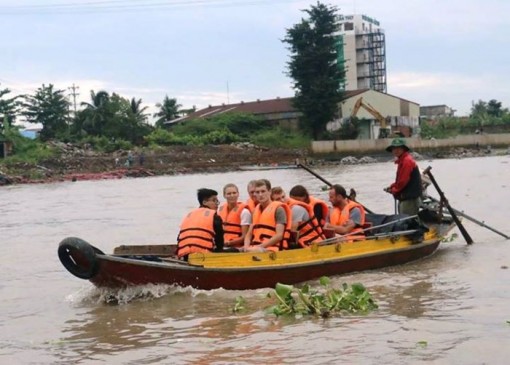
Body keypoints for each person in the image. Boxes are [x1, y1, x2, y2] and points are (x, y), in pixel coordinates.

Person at [244, 179, 292, 252]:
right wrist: (246, 248)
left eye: (263, 191)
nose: (260, 195)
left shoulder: (279, 209)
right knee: (233, 251)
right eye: (257, 192)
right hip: (255, 247)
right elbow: (249, 234)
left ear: (269, 192)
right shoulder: (255, 211)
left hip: (272, 249)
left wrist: (259, 247)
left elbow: (279, 236)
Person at [176, 188, 224, 260]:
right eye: (214, 200)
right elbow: (219, 242)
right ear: (204, 202)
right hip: (202, 256)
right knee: (234, 251)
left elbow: (179, 238)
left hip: (184, 255)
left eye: (217, 201)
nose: (217, 203)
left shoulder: (189, 215)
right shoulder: (214, 216)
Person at [384, 138, 422, 216]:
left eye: (398, 148)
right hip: (406, 198)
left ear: (403, 149)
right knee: (403, 220)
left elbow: (403, 181)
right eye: (394, 148)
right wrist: (392, 186)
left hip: (409, 199)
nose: (396, 150)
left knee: (406, 222)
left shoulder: (406, 161)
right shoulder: (403, 160)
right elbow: (400, 180)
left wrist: (394, 190)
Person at [218, 183, 252, 248]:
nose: (232, 195)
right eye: (229, 194)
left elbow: (245, 236)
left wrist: (229, 243)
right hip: (222, 245)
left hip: (236, 247)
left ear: (238, 194)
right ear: (224, 196)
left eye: (234, 193)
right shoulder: (220, 210)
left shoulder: (244, 212)